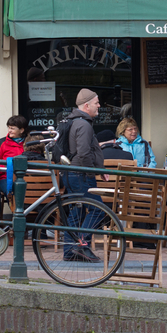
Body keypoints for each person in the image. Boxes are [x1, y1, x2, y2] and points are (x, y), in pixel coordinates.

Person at [61, 88, 108, 263]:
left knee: (77, 211)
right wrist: (92, 171)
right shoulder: (83, 124)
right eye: (97, 103)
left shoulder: (73, 121)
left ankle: (69, 251)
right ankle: (81, 245)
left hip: (71, 173)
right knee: (98, 209)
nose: (99, 106)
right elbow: (84, 153)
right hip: (80, 174)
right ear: (87, 105)